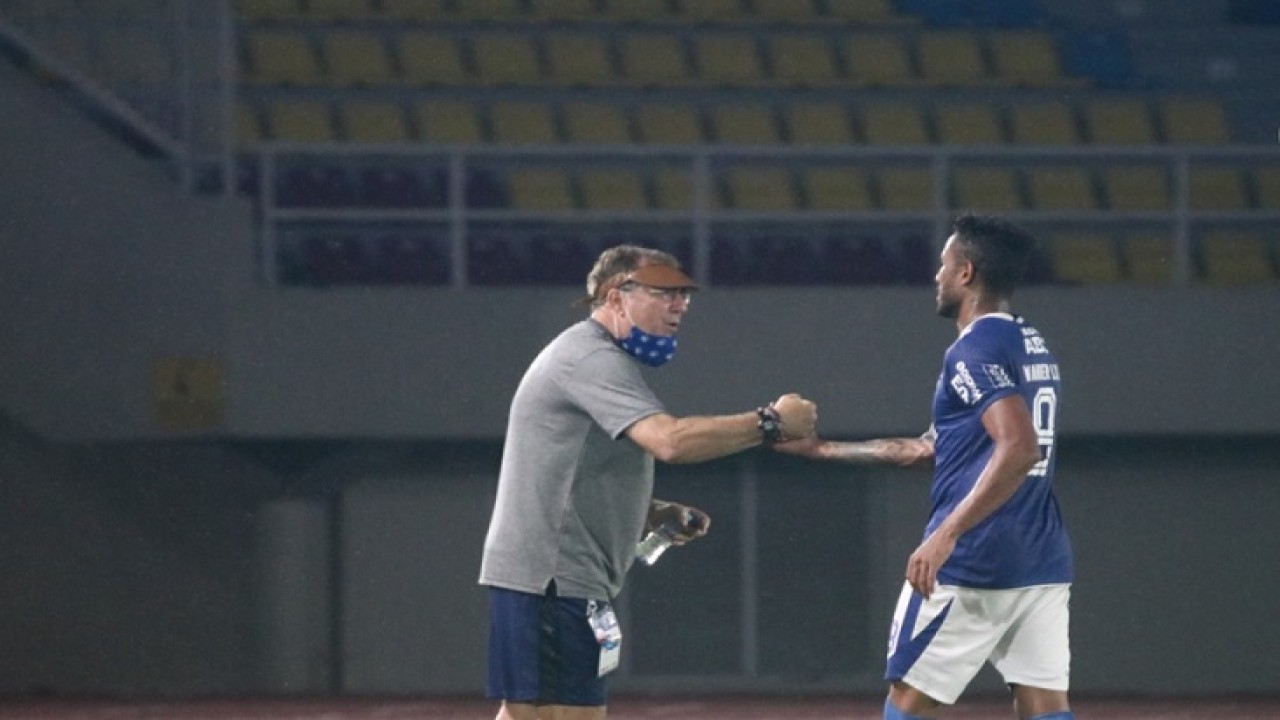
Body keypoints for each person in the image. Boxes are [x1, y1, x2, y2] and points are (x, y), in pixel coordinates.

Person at [479, 244, 818, 720]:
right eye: (664, 293)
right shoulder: (590, 358)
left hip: (556, 578)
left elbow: (567, 469)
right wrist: (770, 423)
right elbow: (670, 441)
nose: (679, 305)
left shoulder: (593, 356)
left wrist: (646, 510)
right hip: (552, 580)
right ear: (616, 297)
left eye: (683, 296)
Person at [777, 214, 1074, 720]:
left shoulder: (972, 350)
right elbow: (929, 449)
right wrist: (821, 450)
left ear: (966, 273)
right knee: (1045, 708)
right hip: (1041, 556)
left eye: (943, 264)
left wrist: (947, 534)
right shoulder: (1030, 343)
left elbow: (1020, 447)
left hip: (975, 561)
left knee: (906, 705)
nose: (936, 276)